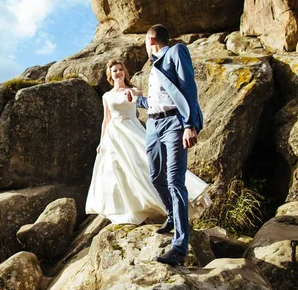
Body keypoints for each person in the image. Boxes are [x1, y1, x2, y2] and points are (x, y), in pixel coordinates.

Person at [85, 58, 210, 235]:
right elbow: (106, 120)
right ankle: (130, 211)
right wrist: (101, 141)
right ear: (110, 75)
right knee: (117, 172)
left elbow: (149, 107)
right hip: (113, 134)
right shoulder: (106, 96)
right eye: (115, 71)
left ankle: (167, 207)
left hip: (132, 129)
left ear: (124, 72)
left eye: (121, 69)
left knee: (142, 165)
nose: (118, 72)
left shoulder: (135, 90)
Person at [127, 24, 205, 265]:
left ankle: (180, 247)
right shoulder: (155, 67)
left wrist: (189, 124)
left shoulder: (176, 52)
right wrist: (137, 100)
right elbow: (156, 100)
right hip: (153, 124)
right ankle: (172, 215)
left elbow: (188, 87)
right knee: (155, 176)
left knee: (174, 180)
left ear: (151, 41)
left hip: (174, 123)